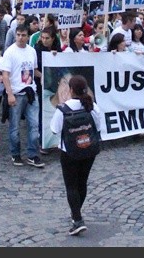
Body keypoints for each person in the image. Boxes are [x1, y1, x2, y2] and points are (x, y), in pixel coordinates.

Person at [50, 75, 104, 236]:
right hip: (89, 149)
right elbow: (99, 126)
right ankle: (76, 213)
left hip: (70, 151)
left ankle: (77, 218)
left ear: (71, 90)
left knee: (71, 185)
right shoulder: (92, 106)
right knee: (82, 182)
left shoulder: (63, 109)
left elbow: (54, 129)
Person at [0, 24, 44, 168]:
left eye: (23, 35)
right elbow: (5, 75)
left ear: (27, 36)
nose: (20, 37)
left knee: (34, 125)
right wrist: (9, 94)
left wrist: (43, 76)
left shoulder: (31, 51)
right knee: (15, 127)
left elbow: (34, 70)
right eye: (18, 35)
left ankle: (32, 154)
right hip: (16, 94)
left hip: (31, 92)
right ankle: (16, 153)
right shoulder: (10, 52)